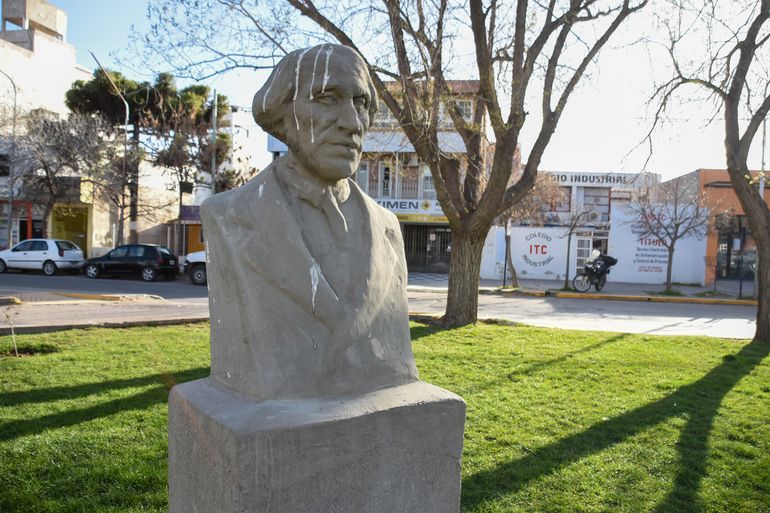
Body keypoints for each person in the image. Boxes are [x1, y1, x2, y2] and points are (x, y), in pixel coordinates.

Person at [199, 44, 419, 401]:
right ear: (282, 116)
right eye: (327, 98)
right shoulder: (231, 217)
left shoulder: (388, 228)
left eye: (361, 103)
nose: (351, 122)